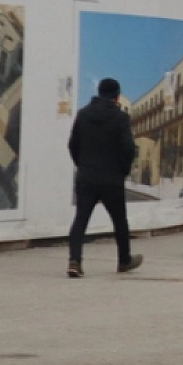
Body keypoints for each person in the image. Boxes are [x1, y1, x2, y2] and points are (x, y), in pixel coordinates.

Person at [66, 78, 142, 278]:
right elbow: (128, 148)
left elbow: (73, 144)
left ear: (99, 93)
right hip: (112, 179)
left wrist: (82, 165)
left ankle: (74, 261)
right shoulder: (120, 118)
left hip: (87, 176)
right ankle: (124, 260)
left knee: (80, 219)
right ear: (116, 97)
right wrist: (123, 170)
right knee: (120, 220)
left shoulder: (83, 114)